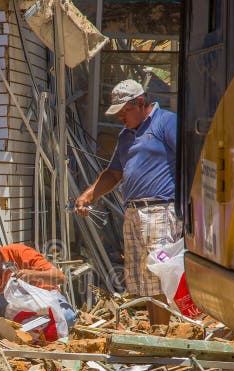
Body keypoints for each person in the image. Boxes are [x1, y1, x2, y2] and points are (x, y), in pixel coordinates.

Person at [74, 79, 181, 325]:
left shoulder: (166, 122)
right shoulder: (126, 136)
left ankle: (167, 332)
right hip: (133, 213)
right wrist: (89, 194)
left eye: (124, 112)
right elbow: (113, 174)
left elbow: (189, 158)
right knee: (144, 281)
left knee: (160, 274)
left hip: (159, 209)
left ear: (140, 103)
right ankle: (157, 331)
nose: (120, 118)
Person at [0, 237, 76, 328]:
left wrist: (33, 275)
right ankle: (10, 331)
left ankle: (31, 329)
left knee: (68, 317)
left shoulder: (19, 252)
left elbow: (60, 277)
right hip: (14, 308)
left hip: (45, 299)